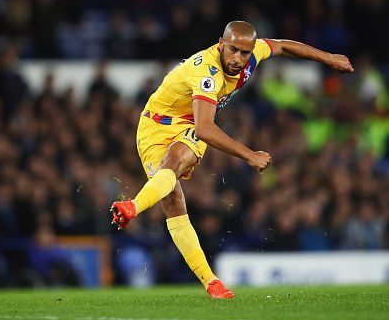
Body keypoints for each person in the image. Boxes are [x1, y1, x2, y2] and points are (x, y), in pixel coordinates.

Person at [109, 21, 354, 299]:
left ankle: (211, 283)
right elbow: (205, 129)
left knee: (174, 167)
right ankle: (134, 208)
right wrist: (250, 155)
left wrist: (329, 58)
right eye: (233, 50)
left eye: (245, 53)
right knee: (172, 199)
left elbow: (284, 46)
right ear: (221, 44)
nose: (238, 59)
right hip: (154, 127)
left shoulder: (252, 53)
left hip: (186, 123)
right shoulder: (207, 72)